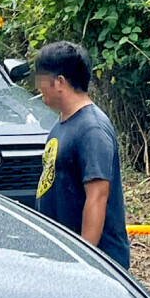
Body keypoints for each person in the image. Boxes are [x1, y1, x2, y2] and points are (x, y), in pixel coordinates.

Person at [33, 41, 130, 269]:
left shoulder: (91, 129)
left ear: (59, 82)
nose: (38, 88)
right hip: (63, 255)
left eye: (41, 80)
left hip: (92, 263)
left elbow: (97, 196)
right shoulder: (62, 124)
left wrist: (85, 260)